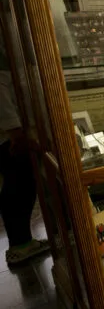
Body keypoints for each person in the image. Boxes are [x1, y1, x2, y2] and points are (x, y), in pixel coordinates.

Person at [0, 41, 48, 266]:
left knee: (23, 187)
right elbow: (5, 106)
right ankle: (19, 244)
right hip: (11, 140)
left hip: (17, 136)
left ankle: (21, 241)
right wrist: (16, 134)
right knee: (18, 189)